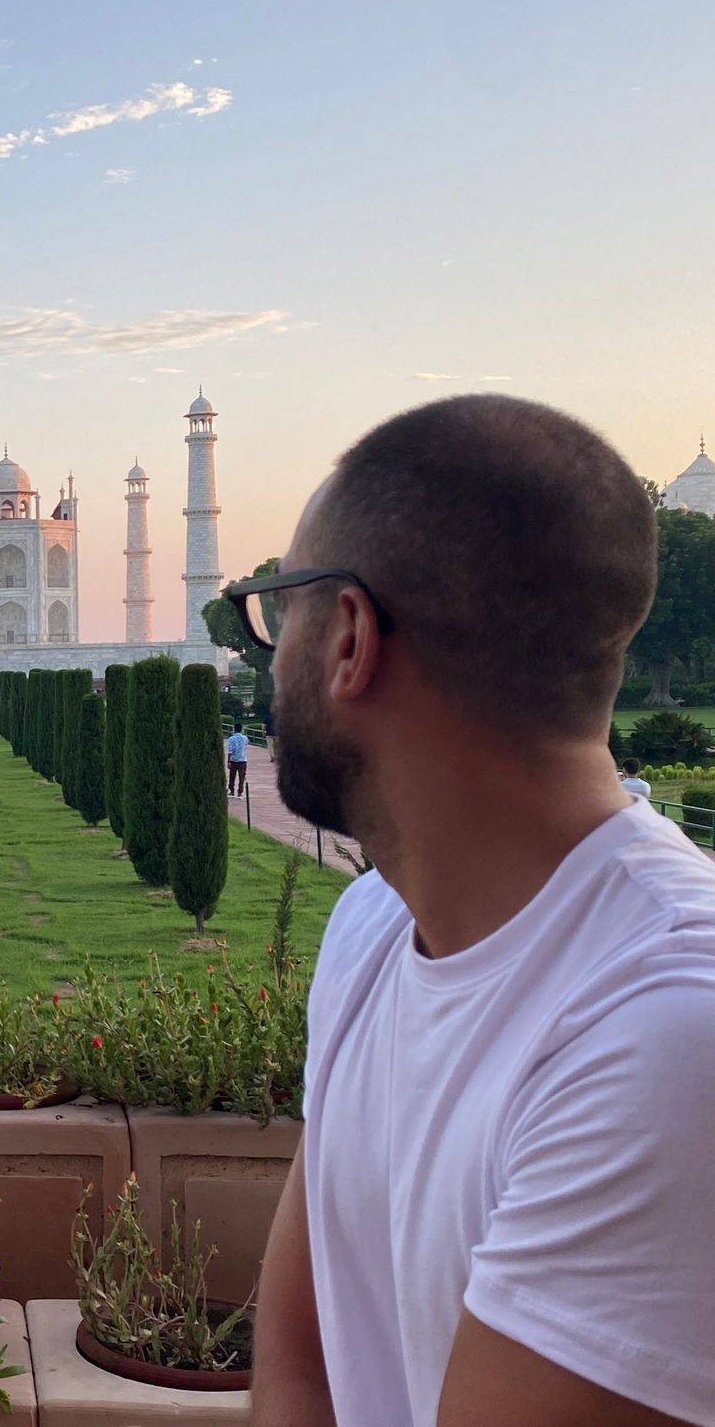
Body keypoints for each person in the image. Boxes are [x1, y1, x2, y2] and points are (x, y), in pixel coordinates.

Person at [241, 396, 715, 1427]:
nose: (267, 656)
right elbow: (303, 1372)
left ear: (350, 638)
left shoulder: (663, 1035)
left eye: (278, 610)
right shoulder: (374, 928)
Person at [225, 722, 249, 797]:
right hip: (243, 760)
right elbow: (246, 744)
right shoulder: (245, 738)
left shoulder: (231, 739)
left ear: (234, 729)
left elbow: (230, 751)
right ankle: (240, 792)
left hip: (234, 760)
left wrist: (228, 761)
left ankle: (232, 791)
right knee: (242, 777)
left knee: (232, 776)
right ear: (241, 729)